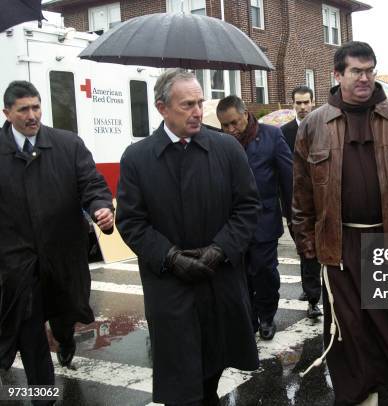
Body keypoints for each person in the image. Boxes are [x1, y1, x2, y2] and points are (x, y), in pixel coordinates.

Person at [292, 41, 388, 405]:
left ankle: (381, 388)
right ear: (337, 75)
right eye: (356, 71)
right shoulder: (314, 125)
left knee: (386, 323)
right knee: (348, 327)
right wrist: (306, 239)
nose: (364, 77)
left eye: (369, 70)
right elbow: (301, 192)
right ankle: (357, 396)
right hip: (339, 243)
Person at [116, 69, 261, 405]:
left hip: (218, 278)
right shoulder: (137, 158)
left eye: (200, 102)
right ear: (162, 108)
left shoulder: (226, 149)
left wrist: (219, 249)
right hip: (170, 284)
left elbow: (248, 207)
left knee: (213, 366)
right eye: (187, 105)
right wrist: (170, 257)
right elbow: (132, 222)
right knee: (180, 379)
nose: (197, 111)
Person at [0, 81, 114, 398]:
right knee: (29, 331)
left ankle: (65, 338)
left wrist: (101, 208)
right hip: (18, 263)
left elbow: (91, 183)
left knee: (64, 316)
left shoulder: (68, 145)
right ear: (7, 113)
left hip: (62, 255)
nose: (32, 115)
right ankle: (43, 396)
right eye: (24, 109)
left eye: (36, 107)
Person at [216, 95, 293, 340]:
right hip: (233, 223)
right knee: (240, 275)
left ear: (246, 114)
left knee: (263, 271)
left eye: (234, 123)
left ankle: (267, 315)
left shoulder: (272, 136)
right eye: (225, 125)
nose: (230, 130)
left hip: (264, 220)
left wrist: (293, 216)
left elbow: (287, 178)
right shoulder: (221, 143)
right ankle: (249, 319)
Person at [280, 86, 322, 320]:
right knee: (305, 250)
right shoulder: (284, 132)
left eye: (306, 102)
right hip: (295, 204)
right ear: (292, 104)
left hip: (322, 202)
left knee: (322, 251)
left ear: (313, 102)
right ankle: (311, 294)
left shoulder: (324, 128)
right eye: (298, 103)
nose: (303, 107)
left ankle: (314, 293)